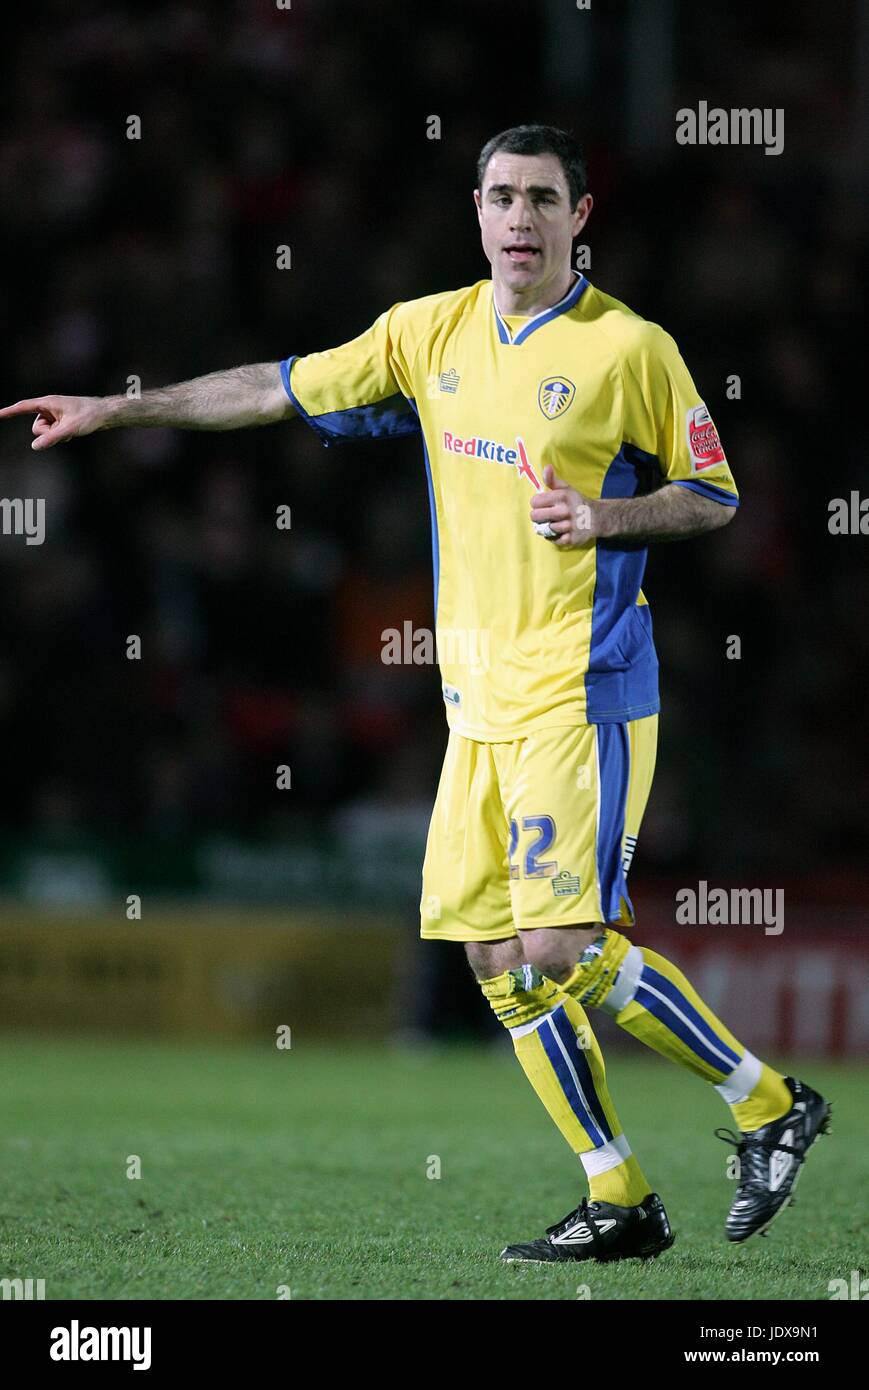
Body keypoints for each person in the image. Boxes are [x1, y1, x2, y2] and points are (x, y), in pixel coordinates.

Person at [0, 123, 830, 1264]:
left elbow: (715, 495)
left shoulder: (629, 349)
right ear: (476, 211)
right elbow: (275, 390)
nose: (519, 218)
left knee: (558, 945)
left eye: (543, 197)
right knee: (492, 958)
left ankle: (767, 1102)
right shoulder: (426, 331)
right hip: (474, 705)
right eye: (500, 196)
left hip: (581, 690)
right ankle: (618, 1193)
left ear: (579, 217)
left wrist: (606, 516)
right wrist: (116, 409)